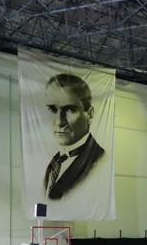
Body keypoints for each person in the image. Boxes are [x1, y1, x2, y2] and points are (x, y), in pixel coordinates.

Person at [40, 73, 111, 218]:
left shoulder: (99, 159)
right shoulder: (54, 162)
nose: (59, 122)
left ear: (89, 115)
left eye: (70, 110)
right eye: (53, 110)